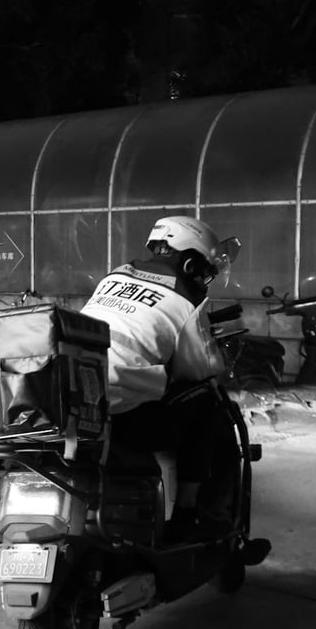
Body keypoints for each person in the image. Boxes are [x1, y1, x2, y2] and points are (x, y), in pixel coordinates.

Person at [80, 215, 240, 538]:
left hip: (76, 395)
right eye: (206, 271)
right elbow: (201, 369)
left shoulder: (114, 276)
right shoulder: (184, 297)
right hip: (122, 414)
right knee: (207, 399)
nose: (204, 279)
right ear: (191, 264)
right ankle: (186, 513)